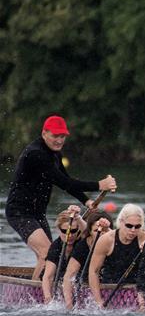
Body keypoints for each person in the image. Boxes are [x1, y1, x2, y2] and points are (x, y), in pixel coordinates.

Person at [4, 115, 116, 278]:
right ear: (44, 133)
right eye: (55, 136)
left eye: (62, 136)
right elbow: (64, 182)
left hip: (38, 212)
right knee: (47, 253)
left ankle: (39, 286)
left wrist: (86, 200)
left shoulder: (55, 154)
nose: (59, 140)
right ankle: (36, 291)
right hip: (19, 212)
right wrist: (99, 185)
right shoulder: (36, 154)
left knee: (49, 256)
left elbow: (66, 181)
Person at [88, 204, 145, 306]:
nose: (133, 230)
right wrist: (98, 301)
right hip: (110, 290)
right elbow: (93, 272)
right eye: (129, 226)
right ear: (121, 222)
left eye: (137, 226)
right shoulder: (106, 240)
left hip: (137, 290)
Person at [61, 210, 112, 309]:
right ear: (89, 232)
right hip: (85, 281)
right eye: (96, 231)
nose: (101, 234)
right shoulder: (83, 246)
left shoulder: (114, 242)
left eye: (104, 231)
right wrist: (69, 302)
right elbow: (69, 275)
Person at [40, 208, 86, 303]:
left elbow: (86, 230)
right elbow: (48, 276)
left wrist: (78, 217)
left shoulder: (83, 242)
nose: (69, 235)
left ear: (78, 229)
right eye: (65, 231)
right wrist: (48, 297)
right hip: (59, 277)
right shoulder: (56, 246)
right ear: (58, 229)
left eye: (73, 231)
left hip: (79, 278)